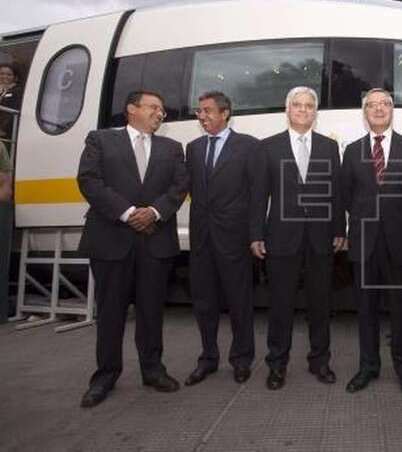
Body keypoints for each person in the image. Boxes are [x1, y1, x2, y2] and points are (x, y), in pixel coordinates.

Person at [77, 90, 187, 408]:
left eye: (162, 110)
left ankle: (153, 371)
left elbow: (179, 187)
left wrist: (152, 212)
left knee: (151, 312)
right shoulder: (99, 140)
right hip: (111, 239)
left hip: (155, 241)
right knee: (111, 313)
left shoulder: (172, 148)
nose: (160, 113)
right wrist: (127, 213)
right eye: (154, 107)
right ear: (131, 109)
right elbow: (89, 181)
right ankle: (104, 377)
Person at [250, 86, 345, 390]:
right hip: (280, 238)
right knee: (280, 305)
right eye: (297, 105)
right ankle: (277, 365)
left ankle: (320, 362)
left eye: (309, 106)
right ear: (287, 110)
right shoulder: (267, 147)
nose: (303, 110)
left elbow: (336, 194)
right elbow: (257, 195)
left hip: (320, 239)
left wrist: (339, 229)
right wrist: (256, 234)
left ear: (315, 112)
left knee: (321, 304)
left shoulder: (330, 148)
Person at [340, 88, 402, 397]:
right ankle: (367, 367)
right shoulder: (351, 151)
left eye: (384, 104)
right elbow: (346, 195)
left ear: (392, 110)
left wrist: (395, 218)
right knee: (365, 311)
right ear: (364, 113)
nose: (378, 109)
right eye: (372, 105)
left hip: (399, 242)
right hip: (364, 242)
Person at [183, 91, 258, 386]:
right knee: (204, 303)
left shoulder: (249, 147)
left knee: (240, 303)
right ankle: (208, 359)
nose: (202, 117)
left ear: (225, 113)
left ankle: (242, 359)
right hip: (202, 239)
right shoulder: (193, 148)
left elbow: (256, 195)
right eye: (199, 112)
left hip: (235, 239)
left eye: (207, 111)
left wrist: (255, 235)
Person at [0, 63, 22, 140]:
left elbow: (9, 113)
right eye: (2, 74)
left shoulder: (17, 92)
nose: (4, 76)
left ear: (15, 77)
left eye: (9, 75)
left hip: (5, 134)